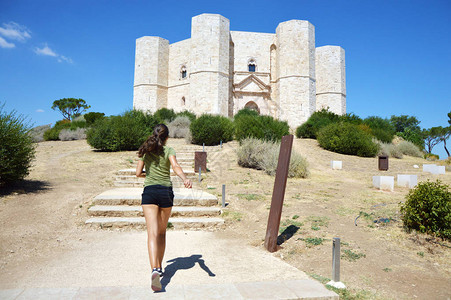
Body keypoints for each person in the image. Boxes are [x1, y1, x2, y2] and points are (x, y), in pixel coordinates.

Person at [136, 124, 192, 292]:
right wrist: (184, 179)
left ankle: (155, 268)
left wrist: (150, 174)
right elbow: (175, 167)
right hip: (165, 192)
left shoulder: (144, 150)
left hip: (150, 193)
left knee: (152, 233)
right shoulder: (169, 150)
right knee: (162, 232)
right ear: (167, 137)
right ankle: (159, 267)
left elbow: (138, 173)